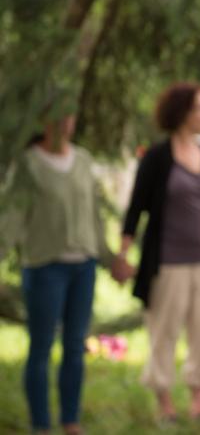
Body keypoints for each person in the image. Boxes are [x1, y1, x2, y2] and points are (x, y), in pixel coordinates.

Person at [117, 82, 200, 421]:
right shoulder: (158, 157)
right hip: (168, 262)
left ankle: (198, 399)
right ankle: (165, 403)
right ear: (182, 113)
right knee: (164, 333)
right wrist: (124, 252)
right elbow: (137, 206)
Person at [0, 110, 128, 435]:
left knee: (75, 345)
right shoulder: (29, 164)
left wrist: (109, 258)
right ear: (44, 121)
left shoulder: (83, 160)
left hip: (82, 267)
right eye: (59, 118)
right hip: (45, 267)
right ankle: (40, 424)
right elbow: (11, 220)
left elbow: (94, 217)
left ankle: (71, 420)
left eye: (71, 118)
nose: (66, 124)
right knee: (41, 346)